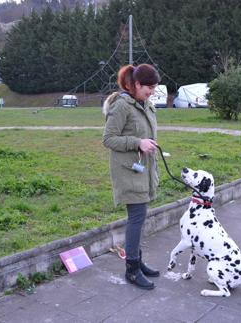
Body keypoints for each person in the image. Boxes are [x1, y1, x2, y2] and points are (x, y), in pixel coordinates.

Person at [102, 64, 161, 290]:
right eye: (149, 87)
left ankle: (137, 260)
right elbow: (108, 139)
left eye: (154, 87)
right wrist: (138, 142)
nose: (152, 91)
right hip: (128, 171)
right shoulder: (122, 106)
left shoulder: (144, 104)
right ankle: (132, 270)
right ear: (136, 84)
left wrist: (147, 144)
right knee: (136, 217)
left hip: (142, 169)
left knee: (140, 216)